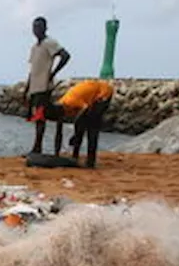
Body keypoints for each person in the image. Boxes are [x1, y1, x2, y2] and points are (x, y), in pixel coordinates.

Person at [25, 16, 72, 154]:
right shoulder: (35, 47)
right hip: (34, 87)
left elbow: (65, 55)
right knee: (36, 117)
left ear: (45, 28)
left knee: (40, 117)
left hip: (44, 86)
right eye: (34, 27)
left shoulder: (50, 43)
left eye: (39, 27)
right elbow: (33, 69)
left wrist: (52, 73)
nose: (36, 30)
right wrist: (27, 88)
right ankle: (37, 146)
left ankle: (37, 148)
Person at [52, 79, 113, 169]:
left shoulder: (71, 101)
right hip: (90, 96)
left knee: (92, 126)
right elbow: (59, 130)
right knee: (79, 126)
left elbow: (85, 111)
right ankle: (75, 156)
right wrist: (56, 154)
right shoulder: (62, 103)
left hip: (104, 93)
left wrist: (75, 135)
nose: (66, 117)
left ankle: (90, 162)